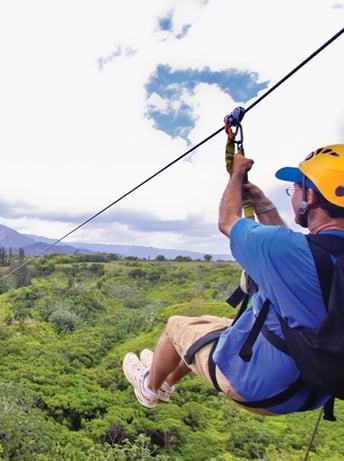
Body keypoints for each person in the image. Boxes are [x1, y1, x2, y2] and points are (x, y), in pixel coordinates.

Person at [123, 144, 344, 415]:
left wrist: (236, 174)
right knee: (213, 325)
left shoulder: (287, 249)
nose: (293, 193)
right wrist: (263, 205)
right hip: (312, 389)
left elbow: (228, 221)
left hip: (260, 386)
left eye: (296, 187)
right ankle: (168, 379)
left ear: (311, 194)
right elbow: (295, 255)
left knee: (175, 326)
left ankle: (149, 387)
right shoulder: (314, 254)